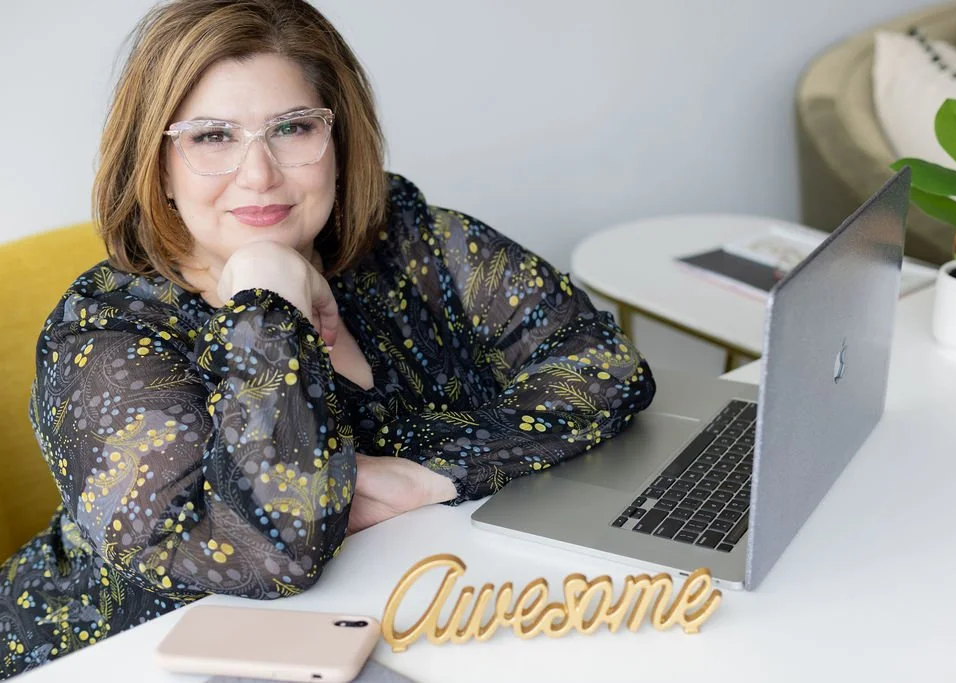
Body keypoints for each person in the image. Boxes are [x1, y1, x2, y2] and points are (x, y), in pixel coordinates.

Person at [0, 0, 656, 677]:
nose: (259, 174)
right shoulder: (105, 338)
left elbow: (602, 362)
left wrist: (429, 476)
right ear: (157, 162)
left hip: (386, 623)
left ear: (338, 141)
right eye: (211, 137)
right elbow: (271, 552)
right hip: (110, 660)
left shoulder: (400, 238)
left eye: (291, 128)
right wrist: (266, 293)